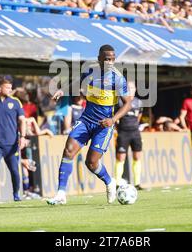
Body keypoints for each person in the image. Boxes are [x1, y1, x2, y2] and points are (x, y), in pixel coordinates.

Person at [47, 45, 132, 205]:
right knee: (68, 151)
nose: (110, 62)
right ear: (99, 58)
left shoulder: (118, 78)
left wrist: (112, 120)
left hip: (104, 125)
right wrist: (62, 90)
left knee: (91, 162)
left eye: (113, 59)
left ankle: (109, 182)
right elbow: (78, 82)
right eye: (107, 59)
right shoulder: (91, 72)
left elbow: (128, 103)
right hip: (86, 120)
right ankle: (61, 194)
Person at [114, 81, 144, 190]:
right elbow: (115, 116)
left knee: (137, 156)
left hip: (135, 132)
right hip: (123, 132)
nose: (130, 89)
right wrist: (118, 129)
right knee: (121, 157)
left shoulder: (139, 102)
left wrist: (135, 126)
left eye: (132, 87)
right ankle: (117, 183)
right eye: (128, 87)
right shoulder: (119, 102)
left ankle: (137, 183)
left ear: (135, 89)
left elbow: (138, 117)